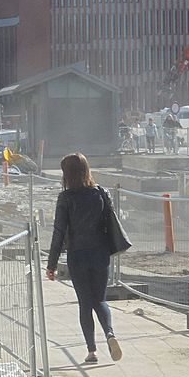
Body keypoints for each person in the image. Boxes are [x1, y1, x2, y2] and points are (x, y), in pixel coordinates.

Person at [45, 153, 123, 365]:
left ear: (67, 174)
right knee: (100, 300)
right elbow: (110, 222)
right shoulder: (100, 193)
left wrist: (51, 264)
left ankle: (92, 351)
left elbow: (59, 232)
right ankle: (109, 333)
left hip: (77, 255)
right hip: (100, 253)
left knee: (85, 304)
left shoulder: (66, 198)